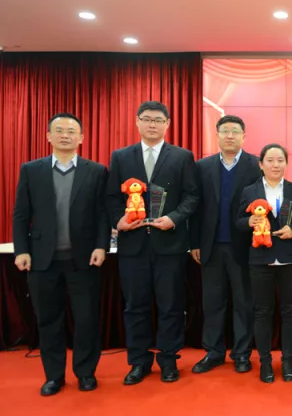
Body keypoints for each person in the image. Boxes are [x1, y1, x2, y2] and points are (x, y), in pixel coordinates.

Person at [13, 113, 110, 396]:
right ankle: (54, 376)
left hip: (84, 259)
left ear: (81, 138)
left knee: (87, 320)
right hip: (42, 259)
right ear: (48, 136)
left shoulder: (96, 171)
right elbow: (21, 214)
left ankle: (86, 373)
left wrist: (101, 246)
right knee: (48, 321)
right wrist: (22, 250)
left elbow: (102, 214)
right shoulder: (32, 170)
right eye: (59, 130)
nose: (65, 135)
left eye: (71, 131)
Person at [105, 101, 198, 384]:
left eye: (158, 120)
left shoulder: (182, 156)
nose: (152, 124)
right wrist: (118, 221)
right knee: (135, 306)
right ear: (137, 121)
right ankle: (139, 361)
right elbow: (111, 196)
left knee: (171, 305)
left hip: (169, 244)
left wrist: (174, 218)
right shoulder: (121, 156)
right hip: (133, 245)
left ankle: (169, 359)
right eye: (147, 119)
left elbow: (192, 196)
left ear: (167, 124)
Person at [189, 115, 261, 374]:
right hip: (211, 247)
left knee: (244, 303)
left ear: (244, 136)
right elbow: (195, 208)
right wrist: (194, 242)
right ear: (217, 135)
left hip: (245, 246)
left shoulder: (256, 165)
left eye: (235, 131)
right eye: (225, 131)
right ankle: (214, 352)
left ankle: (241, 353)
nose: (230, 136)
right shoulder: (202, 166)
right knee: (212, 303)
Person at [236, 144, 292, 383]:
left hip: (291, 258)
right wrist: (248, 222)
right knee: (262, 312)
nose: (275, 165)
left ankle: (288, 360)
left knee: (290, 311)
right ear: (261, 164)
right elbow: (237, 221)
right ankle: (265, 362)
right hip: (260, 259)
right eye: (270, 160)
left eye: (280, 160)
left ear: (286, 164)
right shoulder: (250, 191)